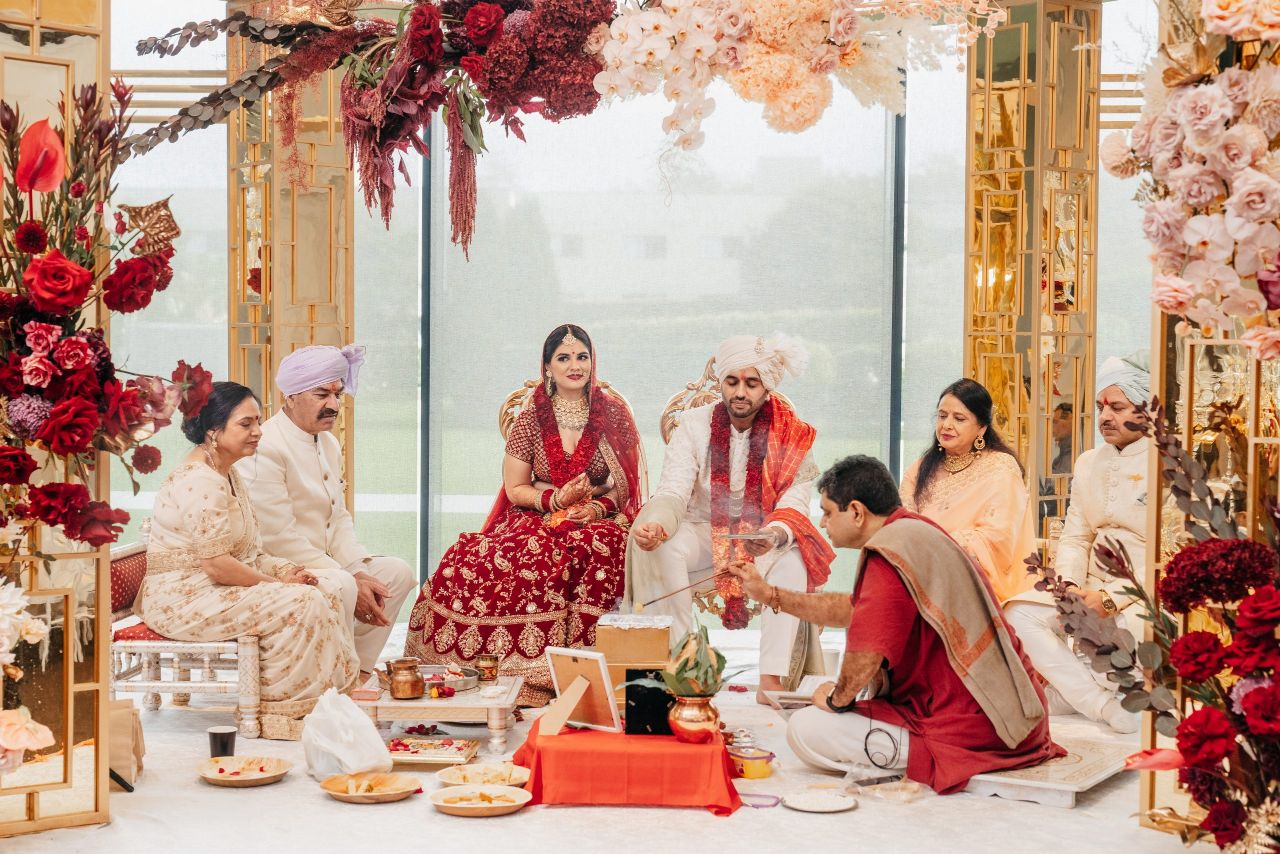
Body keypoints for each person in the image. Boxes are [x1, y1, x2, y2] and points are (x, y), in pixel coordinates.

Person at [729, 455, 1063, 794]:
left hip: (981, 726)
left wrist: (835, 700)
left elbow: (866, 653)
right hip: (1012, 716)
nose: (824, 523)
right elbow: (853, 609)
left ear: (856, 512)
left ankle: (936, 761)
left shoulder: (889, 551)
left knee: (805, 728)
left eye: (828, 513)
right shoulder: (913, 532)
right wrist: (769, 594)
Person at [403, 325, 644, 705]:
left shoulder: (612, 414)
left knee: (600, 544)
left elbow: (626, 482)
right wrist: (556, 499)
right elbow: (516, 488)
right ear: (547, 366)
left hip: (597, 516)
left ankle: (592, 673)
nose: (575, 365)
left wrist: (596, 507)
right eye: (564, 358)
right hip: (538, 511)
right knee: (490, 556)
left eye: (582, 356)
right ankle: (517, 671)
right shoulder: (530, 419)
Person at [136, 382, 359, 739]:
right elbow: (217, 565)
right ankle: (282, 713)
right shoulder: (200, 480)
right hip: (183, 599)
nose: (258, 431)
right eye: (246, 424)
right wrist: (277, 585)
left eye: (257, 421)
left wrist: (286, 571)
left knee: (325, 589)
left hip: (211, 588)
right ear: (213, 430)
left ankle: (327, 703)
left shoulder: (227, 472)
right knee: (300, 602)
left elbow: (246, 552)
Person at [626, 334, 834, 700]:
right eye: (732, 381)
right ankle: (683, 666)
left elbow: (796, 501)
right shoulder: (694, 425)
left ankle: (772, 681)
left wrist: (774, 534)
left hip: (760, 537)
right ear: (721, 381)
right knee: (663, 546)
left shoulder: (793, 433)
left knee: (793, 561)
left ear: (767, 387)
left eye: (751, 383)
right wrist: (659, 525)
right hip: (702, 531)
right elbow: (673, 489)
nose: (740, 392)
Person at [237, 344, 415, 677]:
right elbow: (277, 538)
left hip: (326, 564)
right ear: (290, 396)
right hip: (281, 567)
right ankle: (329, 674)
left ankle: (357, 671)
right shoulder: (267, 446)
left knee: (396, 573)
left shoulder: (328, 443)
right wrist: (349, 577)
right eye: (321, 394)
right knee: (344, 584)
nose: (333, 405)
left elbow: (338, 518)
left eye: (337, 394)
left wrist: (357, 569)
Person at [1004, 353, 1151, 733]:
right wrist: (1068, 588)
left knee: (1124, 634)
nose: (1105, 417)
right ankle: (1101, 705)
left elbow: (1169, 555)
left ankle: (1072, 694)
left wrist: (1109, 599)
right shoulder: (1088, 462)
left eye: (1117, 407)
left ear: (1146, 408)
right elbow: (1076, 535)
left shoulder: (1168, 464)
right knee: (1018, 614)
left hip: (1141, 594)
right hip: (1085, 586)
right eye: (1101, 407)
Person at [901, 378, 1036, 604]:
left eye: (959, 418)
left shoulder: (1000, 467)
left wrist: (938, 549)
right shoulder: (919, 469)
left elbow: (998, 538)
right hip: (920, 577)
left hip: (976, 585)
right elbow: (904, 524)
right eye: (942, 416)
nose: (946, 425)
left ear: (981, 427)